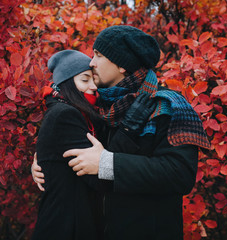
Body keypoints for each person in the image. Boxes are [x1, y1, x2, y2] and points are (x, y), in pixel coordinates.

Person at [32, 25, 211, 240]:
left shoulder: (165, 105)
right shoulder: (99, 107)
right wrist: (47, 163)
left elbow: (180, 174)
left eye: (99, 55)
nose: (91, 62)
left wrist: (108, 164)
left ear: (122, 66)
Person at [31, 50, 104, 240]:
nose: (93, 86)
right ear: (68, 84)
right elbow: (94, 176)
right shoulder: (65, 114)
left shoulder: (68, 111)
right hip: (66, 226)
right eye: (85, 80)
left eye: (94, 80)